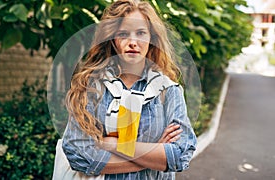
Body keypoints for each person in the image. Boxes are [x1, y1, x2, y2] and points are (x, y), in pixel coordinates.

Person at [62, 0, 197, 179]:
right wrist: (154, 154)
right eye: (123, 33)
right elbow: (78, 154)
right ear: (112, 40)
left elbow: (180, 155)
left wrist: (114, 145)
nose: (133, 42)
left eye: (141, 33)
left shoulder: (168, 91)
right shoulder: (91, 88)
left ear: (152, 39)